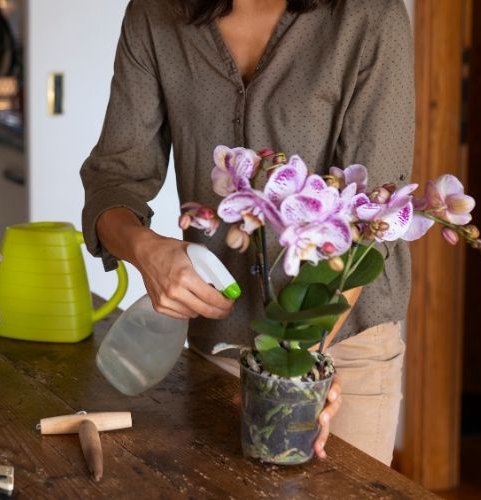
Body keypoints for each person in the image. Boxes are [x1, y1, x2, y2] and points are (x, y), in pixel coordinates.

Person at [80, 0, 413, 465]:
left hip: (340, 354)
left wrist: (297, 367)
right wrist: (146, 250)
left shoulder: (369, 16)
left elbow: (371, 215)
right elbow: (113, 178)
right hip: (216, 347)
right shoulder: (156, 13)